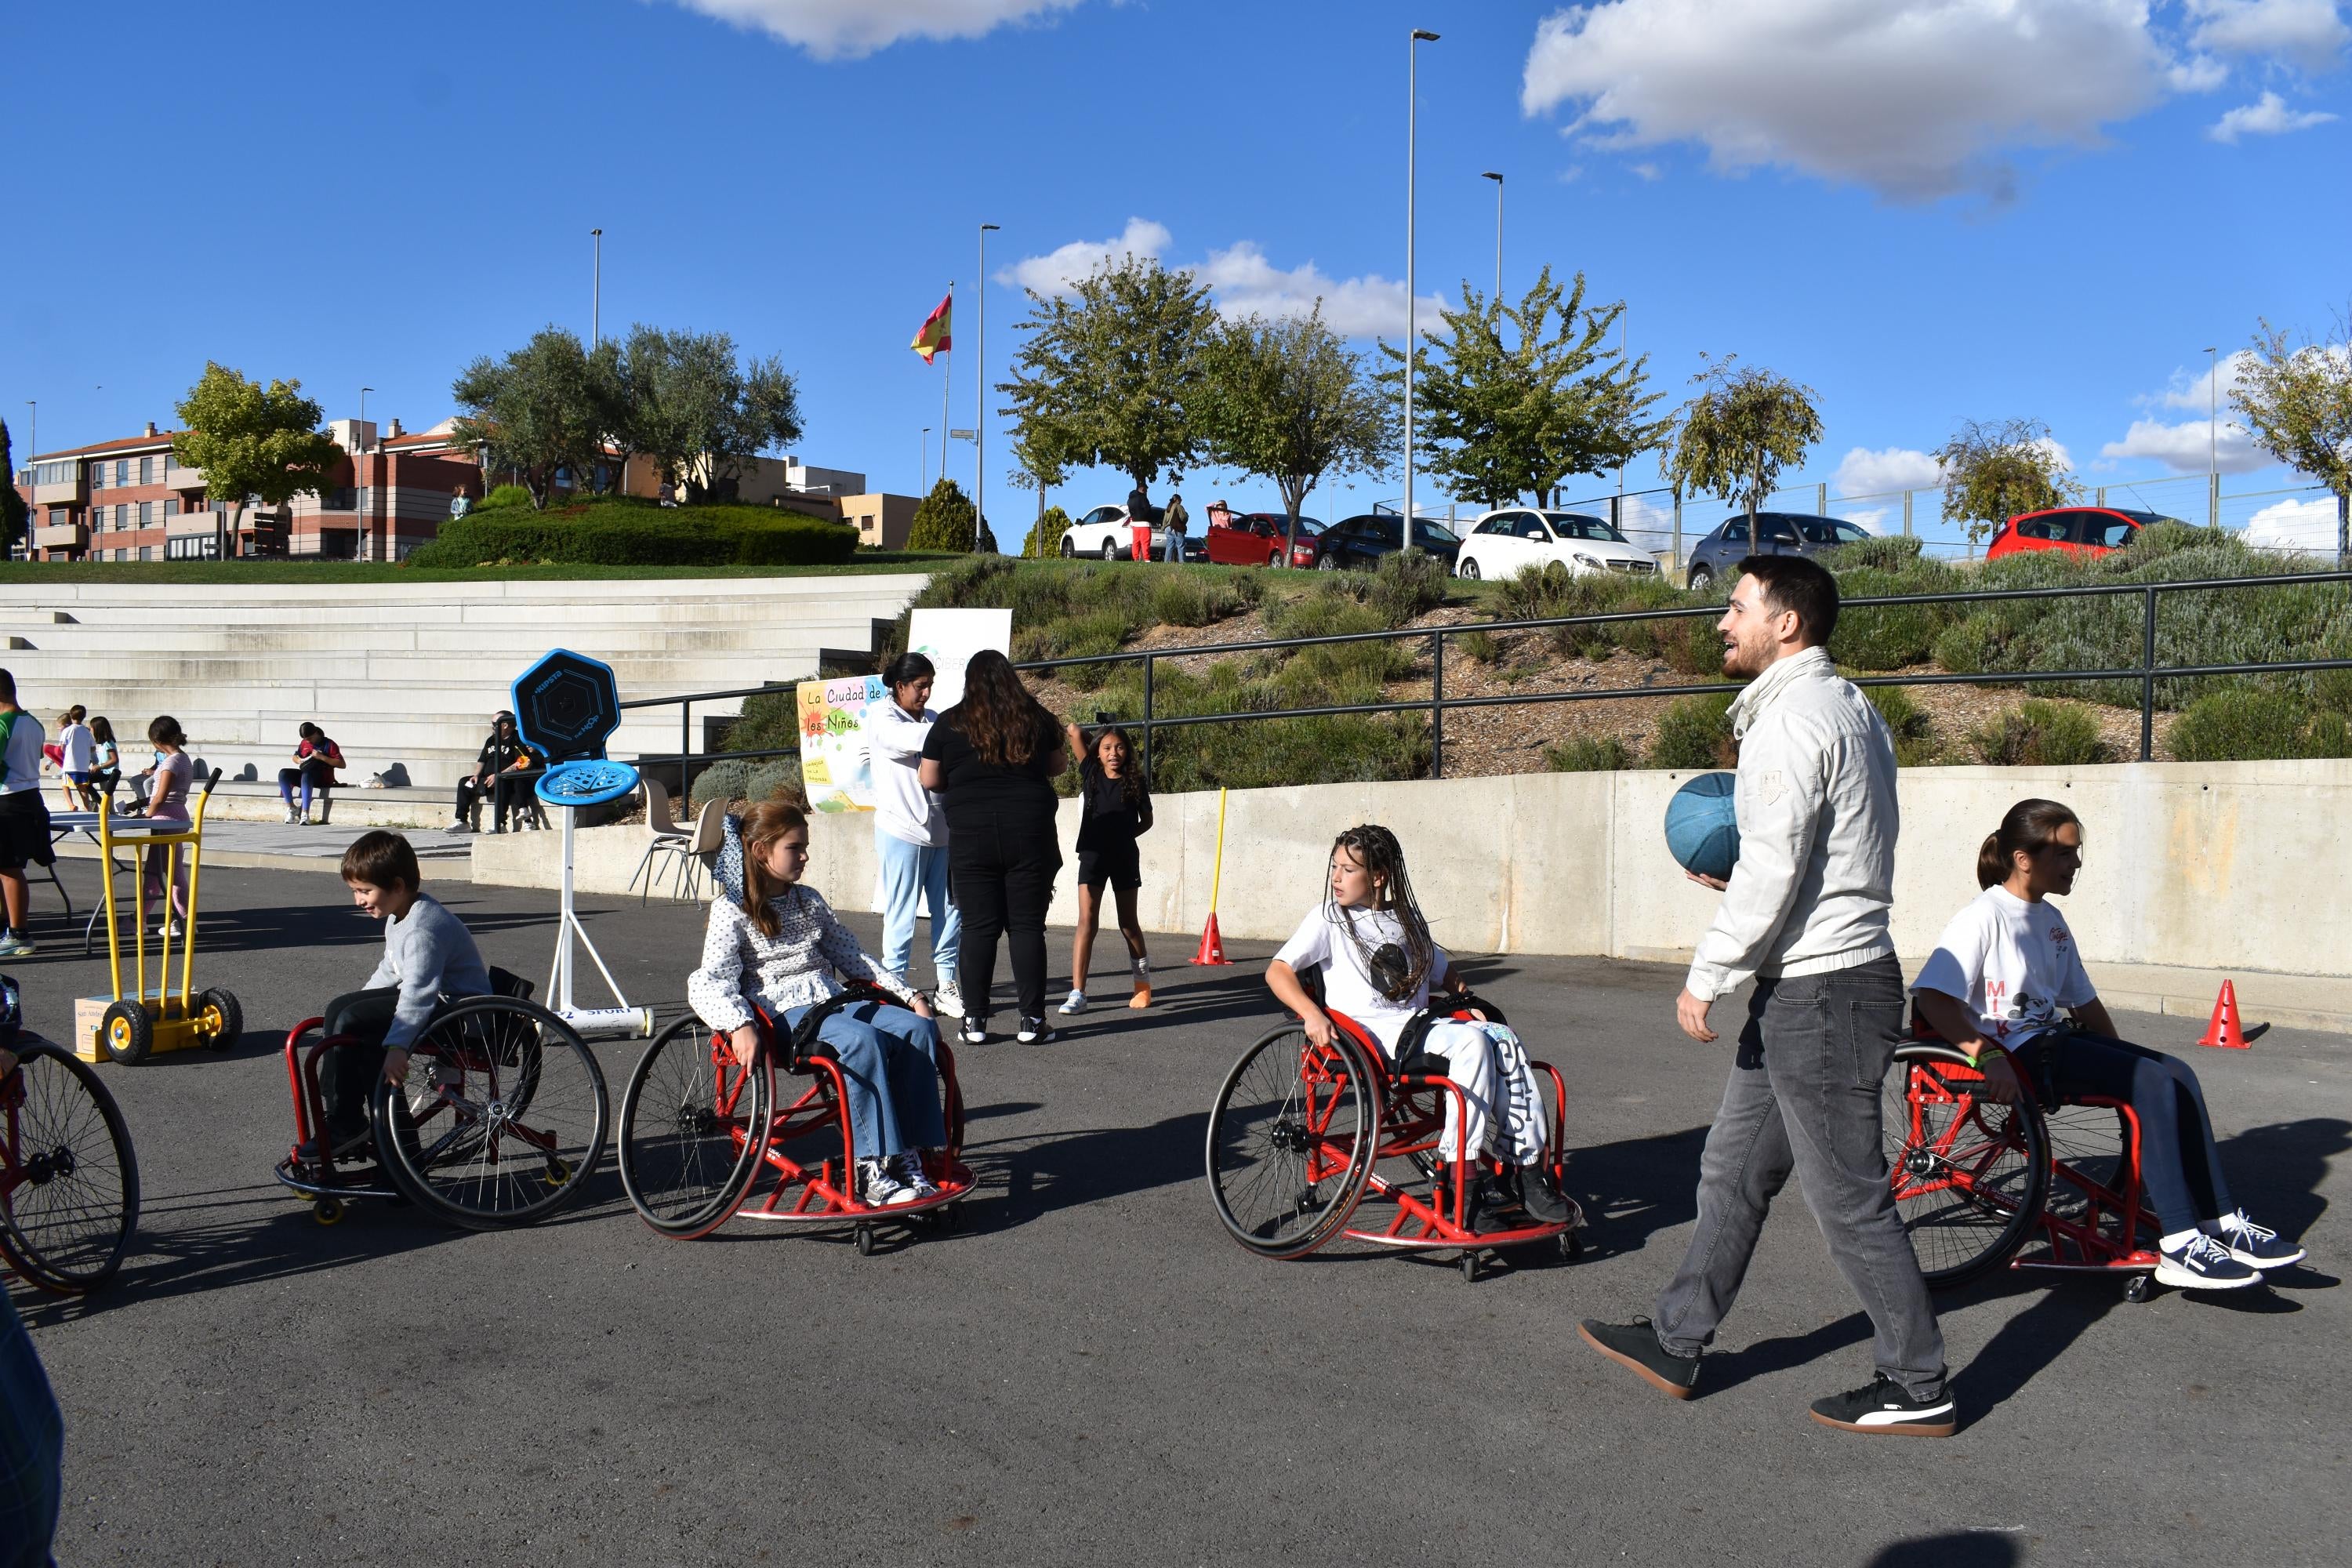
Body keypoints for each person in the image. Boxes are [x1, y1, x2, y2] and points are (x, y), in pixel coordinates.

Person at [1578, 554, 1955, 1439]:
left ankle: (1918, 1380)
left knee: (1850, 1198)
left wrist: (1709, 971)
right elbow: (1816, 851)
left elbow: (1778, 861)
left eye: (1737, 606)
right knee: (1732, 1169)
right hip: (1816, 983)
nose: (1723, 621)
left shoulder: (1791, 721)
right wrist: (1756, 902)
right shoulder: (1850, 706)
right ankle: (1677, 1335)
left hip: (1824, 994)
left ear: (1787, 624)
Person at [1911, 798, 2306, 1290]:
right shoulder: (1983, 916)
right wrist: (1987, 1055)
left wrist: (2124, 1060)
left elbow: (2086, 1006)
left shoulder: (2051, 922)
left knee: (2176, 1071)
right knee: (2152, 1082)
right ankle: (2181, 1243)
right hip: (2011, 1052)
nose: (2076, 863)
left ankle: (2219, 1220)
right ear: (2023, 858)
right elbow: (1932, 998)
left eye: (2077, 853)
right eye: (2065, 854)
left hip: (2049, 1042)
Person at [1263, 825, 1569, 1224]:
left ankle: (1526, 1169)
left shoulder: (1405, 921)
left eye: (1348, 870)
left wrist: (1467, 1002)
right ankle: (1464, 1175)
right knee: (1472, 1046)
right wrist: (1311, 1013)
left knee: (1502, 1037)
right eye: (1334, 867)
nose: (1336, 878)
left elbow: (1446, 975)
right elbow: (1278, 971)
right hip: (1371, 1040)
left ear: (1378, 877)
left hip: (1420, 1027)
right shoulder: (1328, 919)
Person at [686, 799, 946, 1207]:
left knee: (918, 1028)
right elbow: (708, 981)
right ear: (760, 851)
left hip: (830, 1000)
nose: (805, 856)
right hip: (780, 1015)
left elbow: (853, 958)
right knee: (863, 1042)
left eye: (804, 846)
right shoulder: (731, 910)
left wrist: (908, 994)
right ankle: (874, 1165)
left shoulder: (809, 899)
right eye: (795, 847)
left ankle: (910, 1152)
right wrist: (738, 1024)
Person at [305, 831, 492, 1161]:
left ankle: (347, 1122)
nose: (358, 900)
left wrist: (397, 1046)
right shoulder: (399, 915)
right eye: (355, 891)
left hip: (460, 1015)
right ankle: (377, 1141)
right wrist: (354, 1005)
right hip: (437, 1003)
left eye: (365, 891)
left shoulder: (423, 928)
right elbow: (390, 970)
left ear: (398, 885)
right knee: (343, 1010)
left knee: (354, 1022)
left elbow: (419, 991)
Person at [919, 650, 1068, 1047]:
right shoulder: (1034, 716)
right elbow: (1057, 766)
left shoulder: (950, 722)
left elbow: (929, 777)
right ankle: (1033, 1021)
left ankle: (975, 1021)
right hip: (1029, 831)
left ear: (970, 683)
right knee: (1026, 927)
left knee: (978, 929)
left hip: (971, 835)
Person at [863, 652, 964, 1018]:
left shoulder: (936, 719)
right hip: (901, 831)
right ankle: (895, 985)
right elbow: (919, 738)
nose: (926, 694)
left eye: (930, 686)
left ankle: (947, 984)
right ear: (900, 686)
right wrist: (965, 725)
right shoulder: (882, 719)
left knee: (952, 910)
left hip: (943, 832)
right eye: (920, 687)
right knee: (901, 914)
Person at [1058, 722, 1154, 1014]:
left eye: (1120, 747)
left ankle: (1142, 986)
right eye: (1107, 748)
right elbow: (1073, 730)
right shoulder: (1091, 772)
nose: (1114, 753)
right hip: (1092, 856)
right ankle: (1078, 993)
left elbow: (1147, 821)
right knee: (1087, 920)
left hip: (1124, 856)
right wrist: (1099, 737)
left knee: (1128, 923)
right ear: (1097, 752)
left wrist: (1125, 836)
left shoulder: (1136, 781)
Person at [0, 671, 54, 960]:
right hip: (29, 796)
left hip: (7, 799)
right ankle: (11, 928)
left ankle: (19, 932)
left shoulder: (2, 724)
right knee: (8, 868)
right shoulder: (33, 722)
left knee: (9, 869)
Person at [127, 716, 194, 938]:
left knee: (172, 873)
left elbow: (160, 796)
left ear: (156, 740)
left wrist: (145, 815)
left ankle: (185, 920)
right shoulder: (182, 759)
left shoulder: (171, 762)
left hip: (167, 818)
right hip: (173, 817)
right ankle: (139, 919)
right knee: (154, 873)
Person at [449, 712, 538, 834]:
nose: (492, 727)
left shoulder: (518, 739)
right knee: (465, 783)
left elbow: (521, 762)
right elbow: (482, 760)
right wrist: (476, 775)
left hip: (507, 781)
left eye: (494, 724)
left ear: (505, 725)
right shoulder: (491, 740)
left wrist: (499, 775)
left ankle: (500, 824)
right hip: (487, 780)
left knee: (503, 781)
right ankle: (462, 822)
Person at [276, 721, 344, 825]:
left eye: (310, 738)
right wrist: (299, 760)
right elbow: (295, 756)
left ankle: (305, 813)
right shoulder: (304, 743)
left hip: (322, 777)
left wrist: (322, 757)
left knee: (307, 775)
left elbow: (342, 764)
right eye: (306, 739)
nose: (309, 741)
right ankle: (292, 808)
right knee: (283, 774)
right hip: (306, 775)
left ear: (316, 733)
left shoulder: (329, 744)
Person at [56, 710, 94, 812]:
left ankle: (71, 804)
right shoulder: (87, 731)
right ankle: (87, 806)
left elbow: (62, 747)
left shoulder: (67, 730)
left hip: (70, 764)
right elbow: (93, 748)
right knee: (82, 786)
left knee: (65, 785)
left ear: (71, 716)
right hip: (83, 765)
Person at [86, 716, 121, 808]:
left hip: (108, 772)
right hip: (103, 770)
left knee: (85, 781)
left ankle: (102, 803)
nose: (90, 730)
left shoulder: (108, 743)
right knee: (85, 780)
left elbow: (114, 760)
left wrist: (99, 766)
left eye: (91, 728)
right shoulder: (102, 744)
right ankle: (103, 804)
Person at [1162, 481, 1189, 564]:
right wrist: (1187, 516)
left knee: (1170, 546)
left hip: (1167, 528)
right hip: (1176, 528)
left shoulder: (1168, 507)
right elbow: (1183, 517)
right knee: (1180, 546)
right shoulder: (1178, 506)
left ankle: (1167, 562)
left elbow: (1165, 519)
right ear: (1177, 500)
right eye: (1180, 499)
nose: (1181, 501)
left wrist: (1163, 527)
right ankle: (1182, 562)